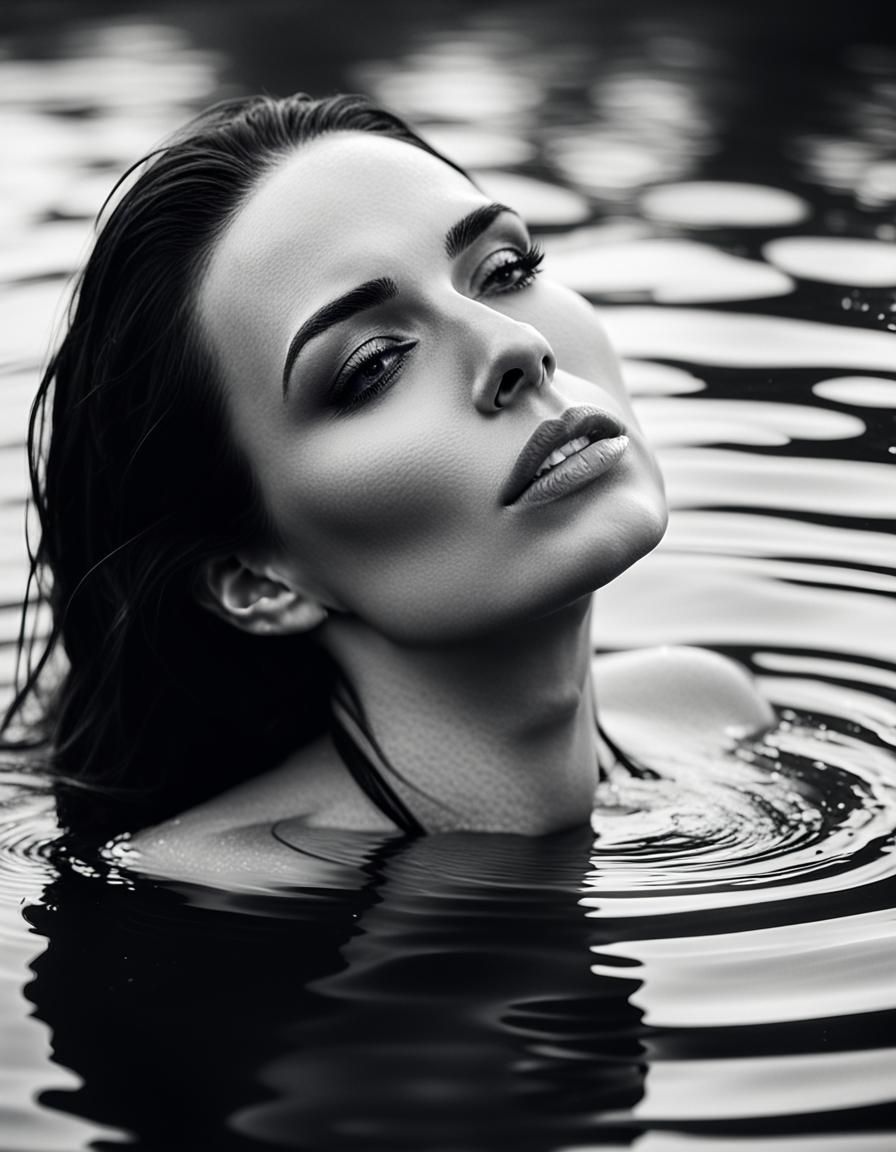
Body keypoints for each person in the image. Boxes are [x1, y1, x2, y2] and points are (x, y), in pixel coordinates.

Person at [1, 93, 772, 877]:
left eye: (505, 271)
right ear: (255, 579)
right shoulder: (198, 895)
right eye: (373, 364)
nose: (517, 344)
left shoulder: (709, 709)